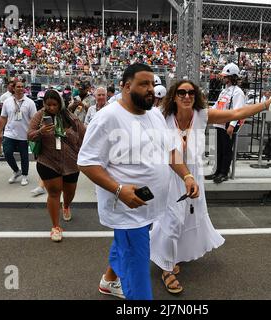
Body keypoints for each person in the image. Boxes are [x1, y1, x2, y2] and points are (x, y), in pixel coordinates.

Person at [77, 63, 199, 300]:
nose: (150, 89)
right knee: (138, 276)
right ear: (125, 86)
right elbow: (86, 162)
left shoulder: (154, 115)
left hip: (150, 206)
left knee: (125, 247)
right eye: (143, 84)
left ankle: (109, 280)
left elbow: (171, 150)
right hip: (127, 210)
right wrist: (119, 189)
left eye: (152, 84)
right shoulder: (108, 118)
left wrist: (187, 175)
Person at [150, 80, 271, 294]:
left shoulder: (202, 115)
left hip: (193, 175)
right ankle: (166, 269)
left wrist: (266, 104)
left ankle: (168, 254)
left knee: (186, 218)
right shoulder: (161, 117)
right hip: (171, 174)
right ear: (173, 96)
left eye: (191, 92)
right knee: (172, 219)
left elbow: (235, 113)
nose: (186, 96)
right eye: (181, 92)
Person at [28, 89, 86, 241]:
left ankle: (66, 206)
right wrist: (40, 131)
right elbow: (29, 135)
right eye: (49, 105)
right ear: (44, 104)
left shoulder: (69, 116)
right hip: (48, 161)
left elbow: (84, 134)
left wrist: (79, 148)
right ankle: (55, 227)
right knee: (53, 193)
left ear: (60, 103)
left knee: (69, 192)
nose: (52, 108)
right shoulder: (40, 116)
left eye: (54, 105)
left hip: (71, 162)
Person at [205, 63, 246, 184]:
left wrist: (232, 125)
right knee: (218, 149)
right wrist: (207, 111)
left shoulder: (238, 92)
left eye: (225, 76)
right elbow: (217, 105)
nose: (223, 78)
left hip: (228, 125)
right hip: (219, 124)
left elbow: (238, 111)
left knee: (226, 150)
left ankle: (224, 173)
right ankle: (217, 171)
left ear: (232, 77)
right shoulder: (224, 91)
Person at [0, 80, 37, 186]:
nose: (20, 88)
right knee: (7, 152)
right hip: (9, 133)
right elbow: (3, 117)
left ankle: (24, 175)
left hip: (24, 134)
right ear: (13, 88)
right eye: (18, 86)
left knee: (24, 156)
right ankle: (16, 171)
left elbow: (34, 119)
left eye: (22, 86)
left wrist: (33, 132)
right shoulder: (7, 101)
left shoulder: (30, 103)